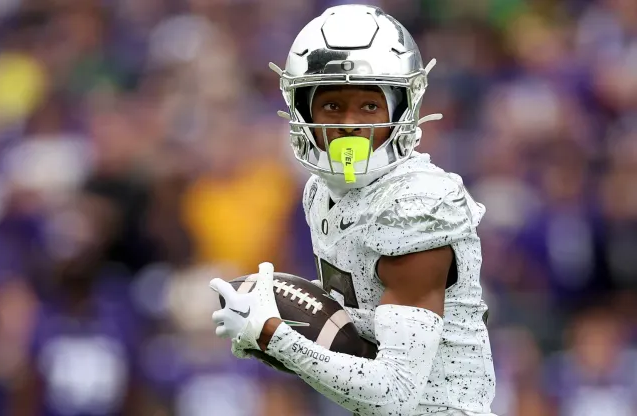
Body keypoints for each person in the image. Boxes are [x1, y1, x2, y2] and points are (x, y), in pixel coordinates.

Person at [209, 4, 496, 416]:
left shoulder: (417, 206)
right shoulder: (319, 192)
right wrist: (275, 310)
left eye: (368, 106)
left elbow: (394, 394)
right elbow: (365, 323)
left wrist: (272, 332)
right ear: (302, 113)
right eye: (331, 106)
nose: (348, 125)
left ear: (401, 110)